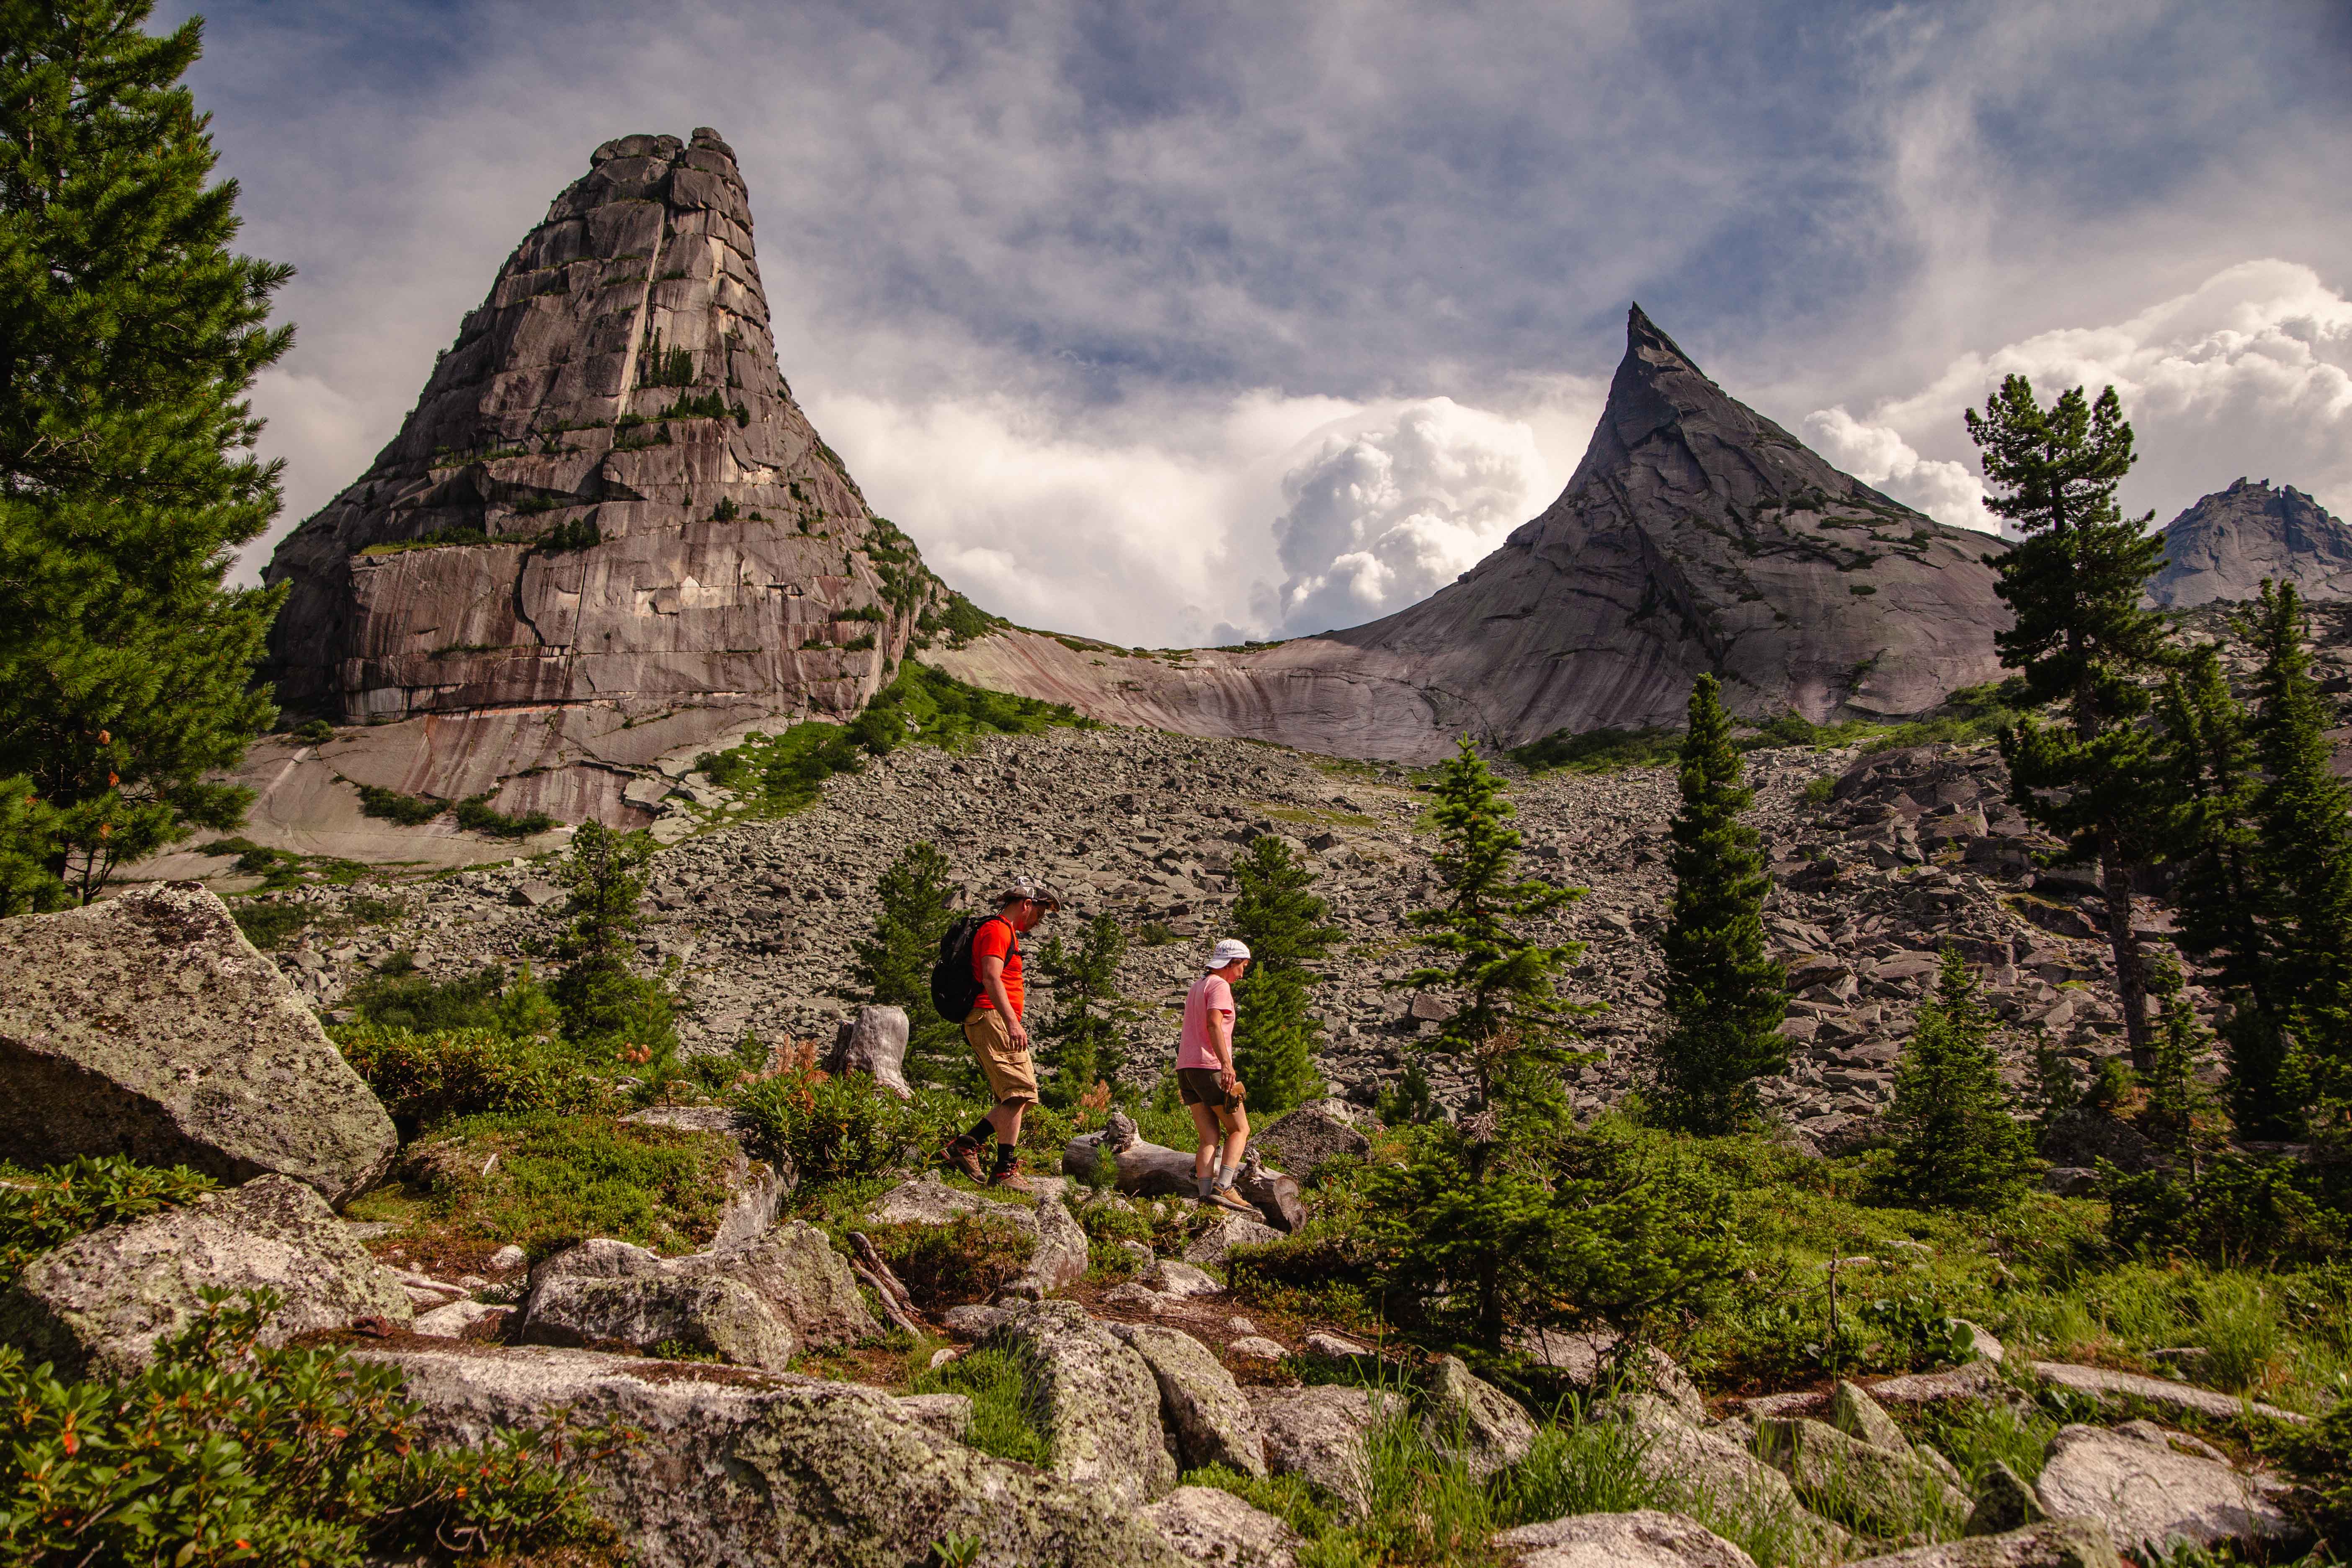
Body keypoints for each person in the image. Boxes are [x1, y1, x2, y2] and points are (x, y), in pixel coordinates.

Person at [943, 876, 1063, 1191]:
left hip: (991, 1017)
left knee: (1017, 1095)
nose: (1039, 921)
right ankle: (1001, 1168)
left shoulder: (1003, 931)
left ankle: (973, 1148)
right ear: (1026, 904)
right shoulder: (997, 930)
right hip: (992, 1017)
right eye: (1040, 913)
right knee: (1020, 1091)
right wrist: (1012, 1022)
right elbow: (992, 977)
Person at [1180, 937, 1260, 1215]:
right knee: (1240, 1129)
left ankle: (1205, 1196)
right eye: (1242, 966)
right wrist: (1227, 1065)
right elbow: (1214, 1024)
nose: (1242, 973)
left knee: (1209, 1136)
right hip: (1210, 1067)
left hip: (1187, 1069)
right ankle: (1224, 1186)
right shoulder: (1220, 986)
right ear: (1231, 963)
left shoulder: (1197, 986)